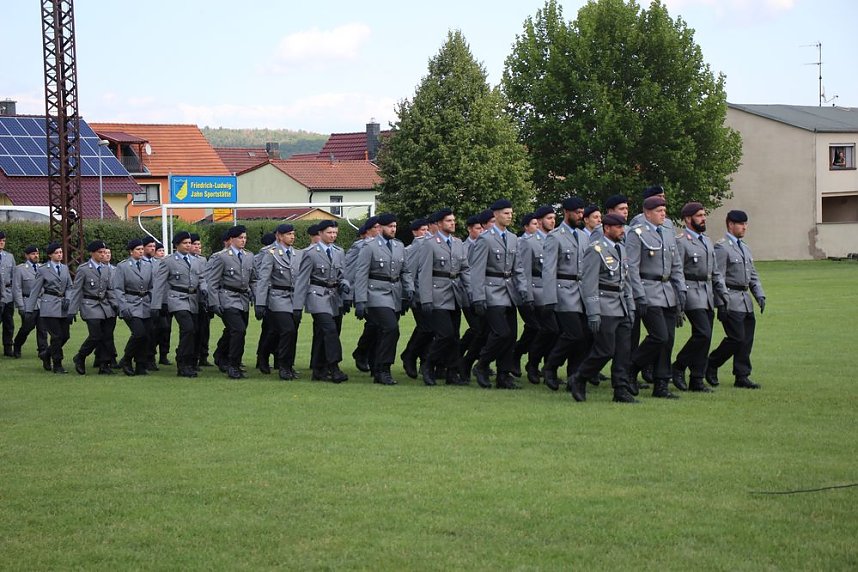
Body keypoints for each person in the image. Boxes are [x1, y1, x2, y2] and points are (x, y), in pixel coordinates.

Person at [568, 213, 638, 402]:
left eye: (623, 227)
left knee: (624, 350)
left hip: (621, 304)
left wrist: (631, 306)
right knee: (605, 350)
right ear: (607, 228)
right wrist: (593, 312)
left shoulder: (621, 250)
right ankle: (580, 377)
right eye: (618, 227)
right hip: (604, 305)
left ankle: (620, 389)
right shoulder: (596, 250)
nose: (622, 231)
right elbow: (589, 283)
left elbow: (626, 281)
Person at [626, 195, 686, 399]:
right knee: (658, 336)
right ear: (647, 213)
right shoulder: (637, 233)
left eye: (664, 210)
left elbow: (675, 263)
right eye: (659, 211)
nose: (664, 214)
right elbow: (632, 267)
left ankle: (661, 384)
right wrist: (639, 295)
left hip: (667, 291)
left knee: (667, 340)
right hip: (648, 290)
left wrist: (681, 289)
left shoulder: (667, 231)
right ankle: (632, 368)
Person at [468, 198, 531, 390]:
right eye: (506, 213)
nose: (510, 216)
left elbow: (518, 267)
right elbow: (476, 271)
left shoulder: (513, 238)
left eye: (511, 213)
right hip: (491, 290)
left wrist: (524, 290)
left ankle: (504, 375)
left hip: (509, 292)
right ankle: (482, 364)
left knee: (511, 335)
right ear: (495, 215)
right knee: (500, 333)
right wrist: (477, 297)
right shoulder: (484, 239)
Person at [671, 202, 727, 392]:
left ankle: (697, 378)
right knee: (702, 332)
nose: (704, 218)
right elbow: (677, 270)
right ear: (688, 219)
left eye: (704, 215)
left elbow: (715, 271)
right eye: (699, 215)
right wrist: (680, 296)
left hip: (707, 291)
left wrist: (722, 293)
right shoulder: (681, 241)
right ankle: (678, 366)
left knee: (706, 336)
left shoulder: (707, 241)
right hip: (691, 289)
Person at [707, 210, 766, 389]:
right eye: (741, 224)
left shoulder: (745, 247)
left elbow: (752, 275)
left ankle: (742, 375)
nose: (744, 227)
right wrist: (721, 303)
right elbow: (718, 277)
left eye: (746, 224)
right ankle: (712, 363)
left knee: (746, 340)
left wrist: (759, 294)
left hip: (745, 300)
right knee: (736, 338)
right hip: (730, 298)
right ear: (730, 224)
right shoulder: (722, 247)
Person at [354, 213, 413, 385]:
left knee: (384, 333)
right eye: (390, 226)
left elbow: (405, 271)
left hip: (394, 294)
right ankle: (384, 369)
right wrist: (360, 300)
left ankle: (378, 369)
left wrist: (409, 289)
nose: (393, 229)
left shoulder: (399, 246)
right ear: (380, 228)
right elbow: (361, 274)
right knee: (391, 328)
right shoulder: (369, 246)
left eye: (395, 226)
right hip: (376, 294)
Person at [541, 197, 591, 391]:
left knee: (583, 337)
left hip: (582, 291)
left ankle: (574, 376)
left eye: (582, 212)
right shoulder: (555, 236)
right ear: (567, 213)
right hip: (564, 290)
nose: (580, 216)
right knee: (573, 334)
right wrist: (549, 298)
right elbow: (549, 270)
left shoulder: (584, 236)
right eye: (577, 212)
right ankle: (551, 367)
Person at [416, 208, 470, 386]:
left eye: (453, 220)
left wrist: (471, 291)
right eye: (448, 221)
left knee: (454, 336)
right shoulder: (429, 243)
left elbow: (464, 269)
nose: (453, 223)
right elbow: (424, 273)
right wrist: (426, 298)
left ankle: (452, 372)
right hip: (437, 293)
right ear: (439, 224)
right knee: (444, 334)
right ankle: (428, 365)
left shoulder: (457, 243)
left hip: (455, 293)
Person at [294, 220, 350, 383]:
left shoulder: (339, 252)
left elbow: (342, 274)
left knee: (322, 333)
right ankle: (334, 367)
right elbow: (302, 280)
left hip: (334, 296)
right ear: (320, 233)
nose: (332, 236)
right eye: (329, 233)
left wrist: (345, 287)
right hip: (316, 295)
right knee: (329, 329)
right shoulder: (311, 253)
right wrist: (297, 307)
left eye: (335, 233)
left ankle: (318, 369)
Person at [514, 204, 558, 384]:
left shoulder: (556, 239)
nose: (553, 221)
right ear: (539, 222)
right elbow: (524, 271)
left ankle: (544, 366)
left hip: (554, 292)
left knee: (554, 331)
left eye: (554, 218)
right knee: (545, 329)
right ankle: (530, 362)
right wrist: (528, 296)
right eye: (549, 218)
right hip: (537, 290)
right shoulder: (529, 242)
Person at [207, 225, 256, 380]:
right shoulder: (222, 257)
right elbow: (212, 282)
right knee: (238, 330)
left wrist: (256, 296)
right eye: (240, 238)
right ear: (232, 239)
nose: (243, 241)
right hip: (227, 297)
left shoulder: (249, 256)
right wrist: (214, 303)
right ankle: (233, 365)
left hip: (243, 299)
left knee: (234, 330)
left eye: (245, 238)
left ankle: (221, 355)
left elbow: (253, 279)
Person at [254, 223, 302, 381]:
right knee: (286, 329)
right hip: (277, 296)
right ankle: (280, 365)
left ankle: (288, 365)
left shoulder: (298, 254)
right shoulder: (271, 253)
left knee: (291, 332)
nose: (292, 237)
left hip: (293, 298)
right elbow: (263, 279)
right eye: (288, 234)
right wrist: (260, 303)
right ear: (279, 236)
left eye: (293, 234)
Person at [67, 240, 118, 375]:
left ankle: (104, 364)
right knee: (95, 335)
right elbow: (77, 290)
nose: (102, 255)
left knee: (107, 336)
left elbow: (110, 290)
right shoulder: (84, 269)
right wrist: (72, 311)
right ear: (92, 253)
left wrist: (116, 305)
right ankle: (81, 356)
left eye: (104, 252)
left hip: (106, 305)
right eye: (99, 252)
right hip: (90, 305)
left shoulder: (107, 268)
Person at [24, 242, 72, 373]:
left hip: (62, 305)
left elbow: (69, 286)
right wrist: (29, 309)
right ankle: (57, 363)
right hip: (49, 304)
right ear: (50, 254)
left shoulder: (64, 268)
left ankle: (46, 354)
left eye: (61, 252)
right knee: (56, 336)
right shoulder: (43, 269)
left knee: (65, 336)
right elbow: (35, 290)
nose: (60, 255)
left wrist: (68, 298)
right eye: (57, 253)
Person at [113, 238, 158, 376]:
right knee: (139, 333)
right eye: (137, 249)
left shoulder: (148, 265)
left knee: (147, 335)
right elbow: (118, 288)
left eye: (141, 249)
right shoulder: (123, 266)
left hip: (145, 304)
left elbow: (152, 286)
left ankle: (140, 364)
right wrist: (123, 306)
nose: (140, 252)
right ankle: (126, 360)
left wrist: (153, 302)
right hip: (130, 303)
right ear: (131, 251)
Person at [400, 217, 431, 379]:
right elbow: (409, 273)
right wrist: (408, 295)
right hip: (418, 294)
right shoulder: (413, 248)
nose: (425, 233)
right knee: (425, 327)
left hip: (432, 294)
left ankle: (424, 360)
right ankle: (410, 355)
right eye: (422, 230)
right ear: (414, 232)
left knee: (429, 329)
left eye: (427, 230)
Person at [12, 245, 47, 358]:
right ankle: (17, 344)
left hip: (41, 302)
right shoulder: (20, 269)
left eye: (37, 253)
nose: (36, 256)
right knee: (27, 328)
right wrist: (21, 306)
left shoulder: (43, 268)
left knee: (42, 329)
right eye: (33, 254)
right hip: (28, 302)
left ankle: (43, 351)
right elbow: (16, 288)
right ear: (27, 255)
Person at [254, 232, 277, 374]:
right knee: (270, 330)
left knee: (282, 330)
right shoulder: (266, 252)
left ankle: (280, 360)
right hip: (269, 295)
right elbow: (260, 275)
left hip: (283, 296)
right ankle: (262, 357)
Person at [190, 233, 212, 369]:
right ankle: (192, 357)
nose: (198, 247)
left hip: (203, 299)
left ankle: (203, 355)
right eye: (195, 244)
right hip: (191, 299)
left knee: (204, 329)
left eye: (199, 245)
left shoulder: (203, 260)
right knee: (193, 329)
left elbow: (206, 278)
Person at [0, 230, 17, 356]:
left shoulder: (9, 257)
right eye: (0, 241)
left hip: (8, 293)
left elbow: (14, 276)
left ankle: (8, 347)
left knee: (9, 323)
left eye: (3, 241)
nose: (2, 243)